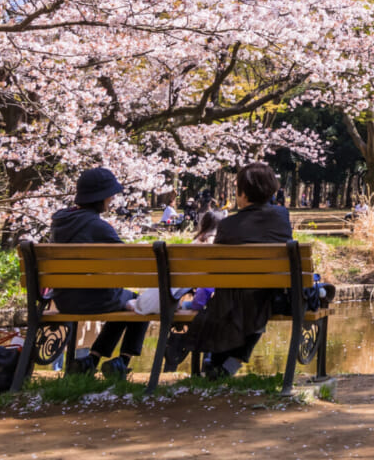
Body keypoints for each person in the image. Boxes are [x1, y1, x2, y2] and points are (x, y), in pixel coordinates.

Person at [170, 162, 292, 379]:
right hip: (268, 296)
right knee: (256, 303)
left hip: (231, 299)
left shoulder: (228, 225)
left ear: (243, 194)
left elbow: (216, 270)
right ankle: (228, 364)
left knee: (234, 305)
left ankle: (216, 362)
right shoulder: (281, 217)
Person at [49, 166, 148, 381]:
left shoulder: (59, 223)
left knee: (124, 300)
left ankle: (91, 361)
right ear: (101, 197)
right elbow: (131, 263)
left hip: (64, 300)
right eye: (110, 195)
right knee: (139, 303)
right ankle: (122, 361)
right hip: (92, 299)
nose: (112, 199)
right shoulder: (97, 226)